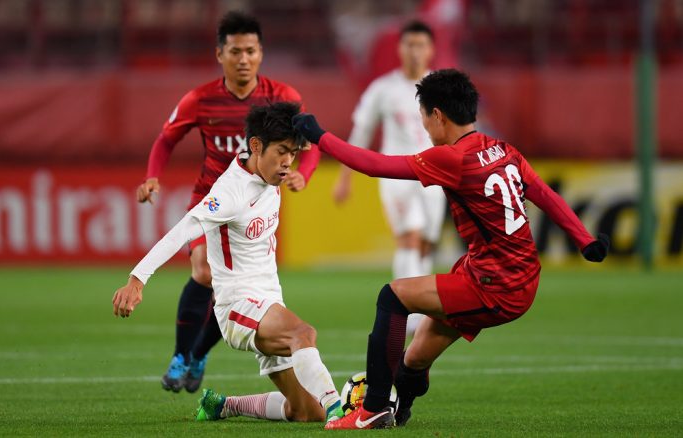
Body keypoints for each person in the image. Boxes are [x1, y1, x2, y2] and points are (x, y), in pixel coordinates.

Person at [292, 69, 610, 429]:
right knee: (414, 358)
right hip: (505, 273)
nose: (425, 128)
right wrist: (585, 239)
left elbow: (375, 165)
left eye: (425, 118)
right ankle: (400, 408)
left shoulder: (451, 158)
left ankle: (374, 409)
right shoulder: (503, 149)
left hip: (496, 284)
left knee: (392, 296)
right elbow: (545, 194)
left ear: (438, 115)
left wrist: (318, 136)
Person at [114, 102, 343, 424]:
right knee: (303, 334)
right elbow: (183, 230)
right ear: (256, 146)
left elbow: (312, 141)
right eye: (281, 152)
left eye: (293, 153)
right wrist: (137, 279)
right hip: (239, 307)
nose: (287, 162)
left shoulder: (268, 169)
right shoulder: (231, 192)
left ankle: (225, 405)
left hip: (270, 301)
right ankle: (339, 410)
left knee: (304, 411)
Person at [135, 11, 320, 393]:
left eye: (250, 51)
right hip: (213, 196)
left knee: (238, 289)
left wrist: (306, 172)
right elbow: (167, 137)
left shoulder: (282, 98)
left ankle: (199, 353)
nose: (243, 59)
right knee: (203, 272)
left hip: (256, 199)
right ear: (220, 54)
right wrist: (153, 174)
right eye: (234, 51)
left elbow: (312, 141)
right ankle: (181, 355)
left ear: (261, 53)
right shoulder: (200, 99)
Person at [332, 20, 445, 336]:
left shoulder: (440, 86)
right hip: (397, 174)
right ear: (399, 49)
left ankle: (419, 305)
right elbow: (361, 132)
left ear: (431, 49)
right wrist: (345, 178)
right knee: (409, 236)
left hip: (435, 175)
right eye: (409, 44)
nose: (415, 51)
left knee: (424, 243)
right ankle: (408, 310)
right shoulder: (383, 88)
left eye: (421, 45)